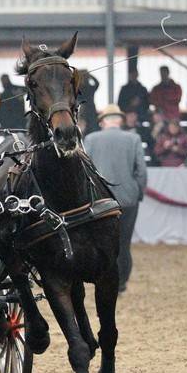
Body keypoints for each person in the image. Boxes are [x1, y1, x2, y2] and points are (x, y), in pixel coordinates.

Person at [83, 104, 146, 294]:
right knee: (124, 242)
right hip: (127, 199)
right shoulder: (134, 139)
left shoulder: (91, 139)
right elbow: (141, 171)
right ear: (120, 121)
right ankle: (121, 282)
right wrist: (137, 193)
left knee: (101, 243)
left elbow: (84, 169)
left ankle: (104, 279)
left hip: (99, 200)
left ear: (102, 122)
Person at [76, 70, 100, 137]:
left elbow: (97, 83)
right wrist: (89, 75)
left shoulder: (79, 88)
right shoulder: (89, 88)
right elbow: (97, 83)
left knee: (85, 130)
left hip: (84, 110)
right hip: (88, 110)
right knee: (92, 128)